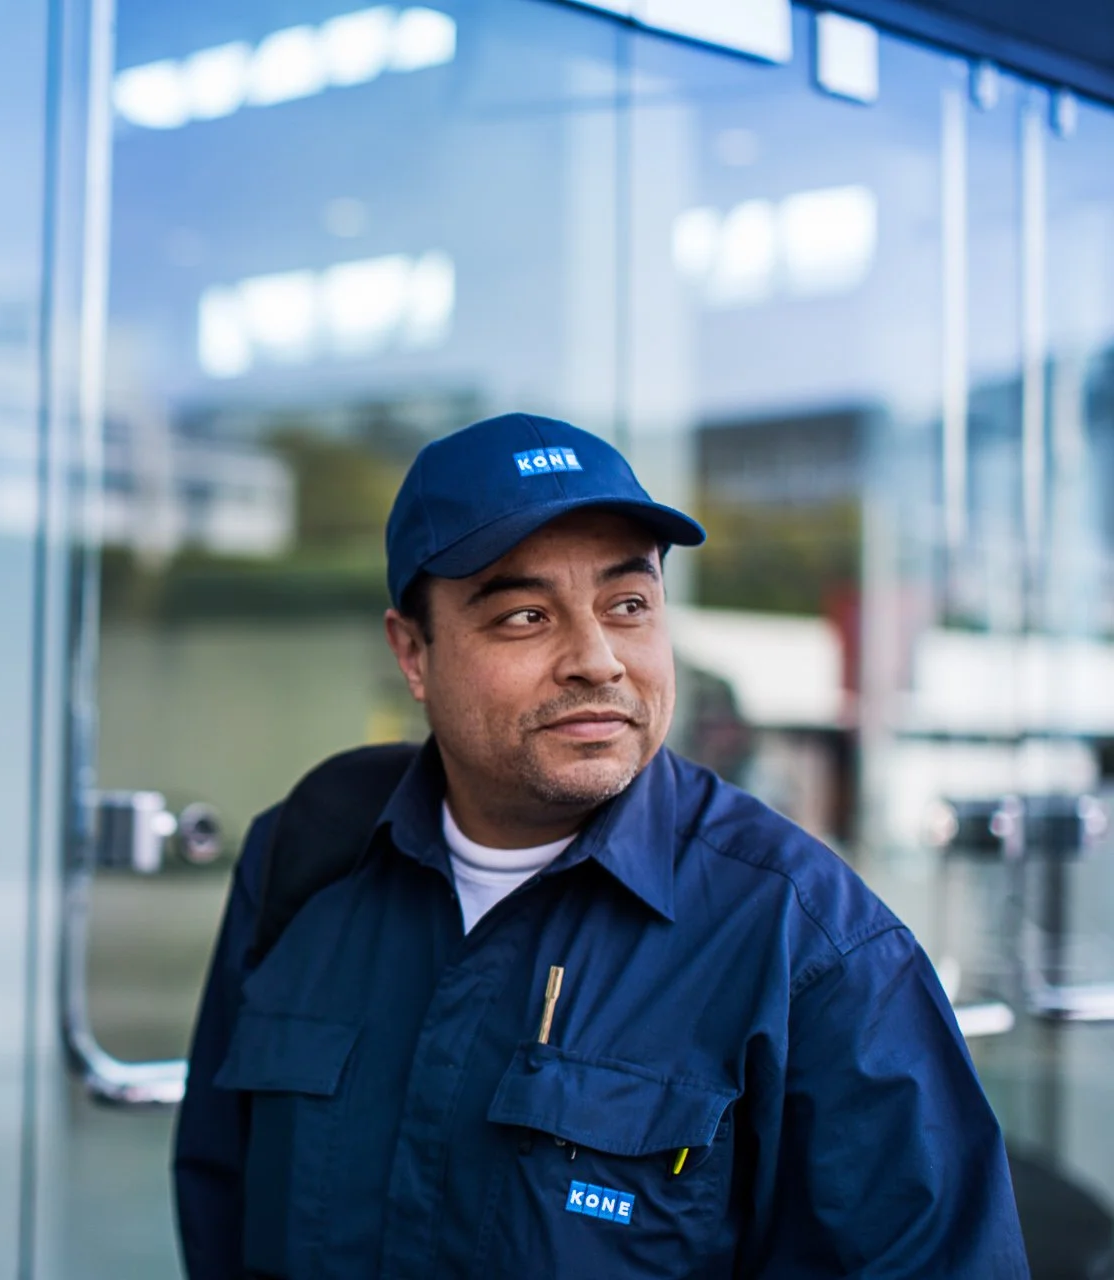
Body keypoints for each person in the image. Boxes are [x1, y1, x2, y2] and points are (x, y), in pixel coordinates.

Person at [172, 414, 1027, 1277]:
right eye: (525, 615)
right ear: (414, 653)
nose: (597, 660)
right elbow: (219, 1209)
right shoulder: (306, 860)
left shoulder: (809, 944)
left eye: (628, 607)